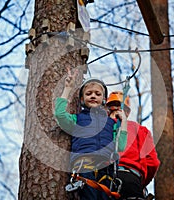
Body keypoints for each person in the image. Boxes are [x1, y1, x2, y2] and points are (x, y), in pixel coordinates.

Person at [54, 71, 127, 200]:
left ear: (104, 99)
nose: (93, 96)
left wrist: (124, 122)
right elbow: (60, 115)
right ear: (82, 99)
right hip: (85, 166)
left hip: (106, 170)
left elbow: (120, 145)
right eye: (89, 94)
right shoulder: (77, 119)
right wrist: (67, 88)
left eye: (97, 94)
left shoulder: (110, 123)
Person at [106, 91, 160, 200]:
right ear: (127, 112)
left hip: (106, 177)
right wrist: (142, 182)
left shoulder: (100, 128)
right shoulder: (141, 131)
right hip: (132, 178)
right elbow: (153, 162)